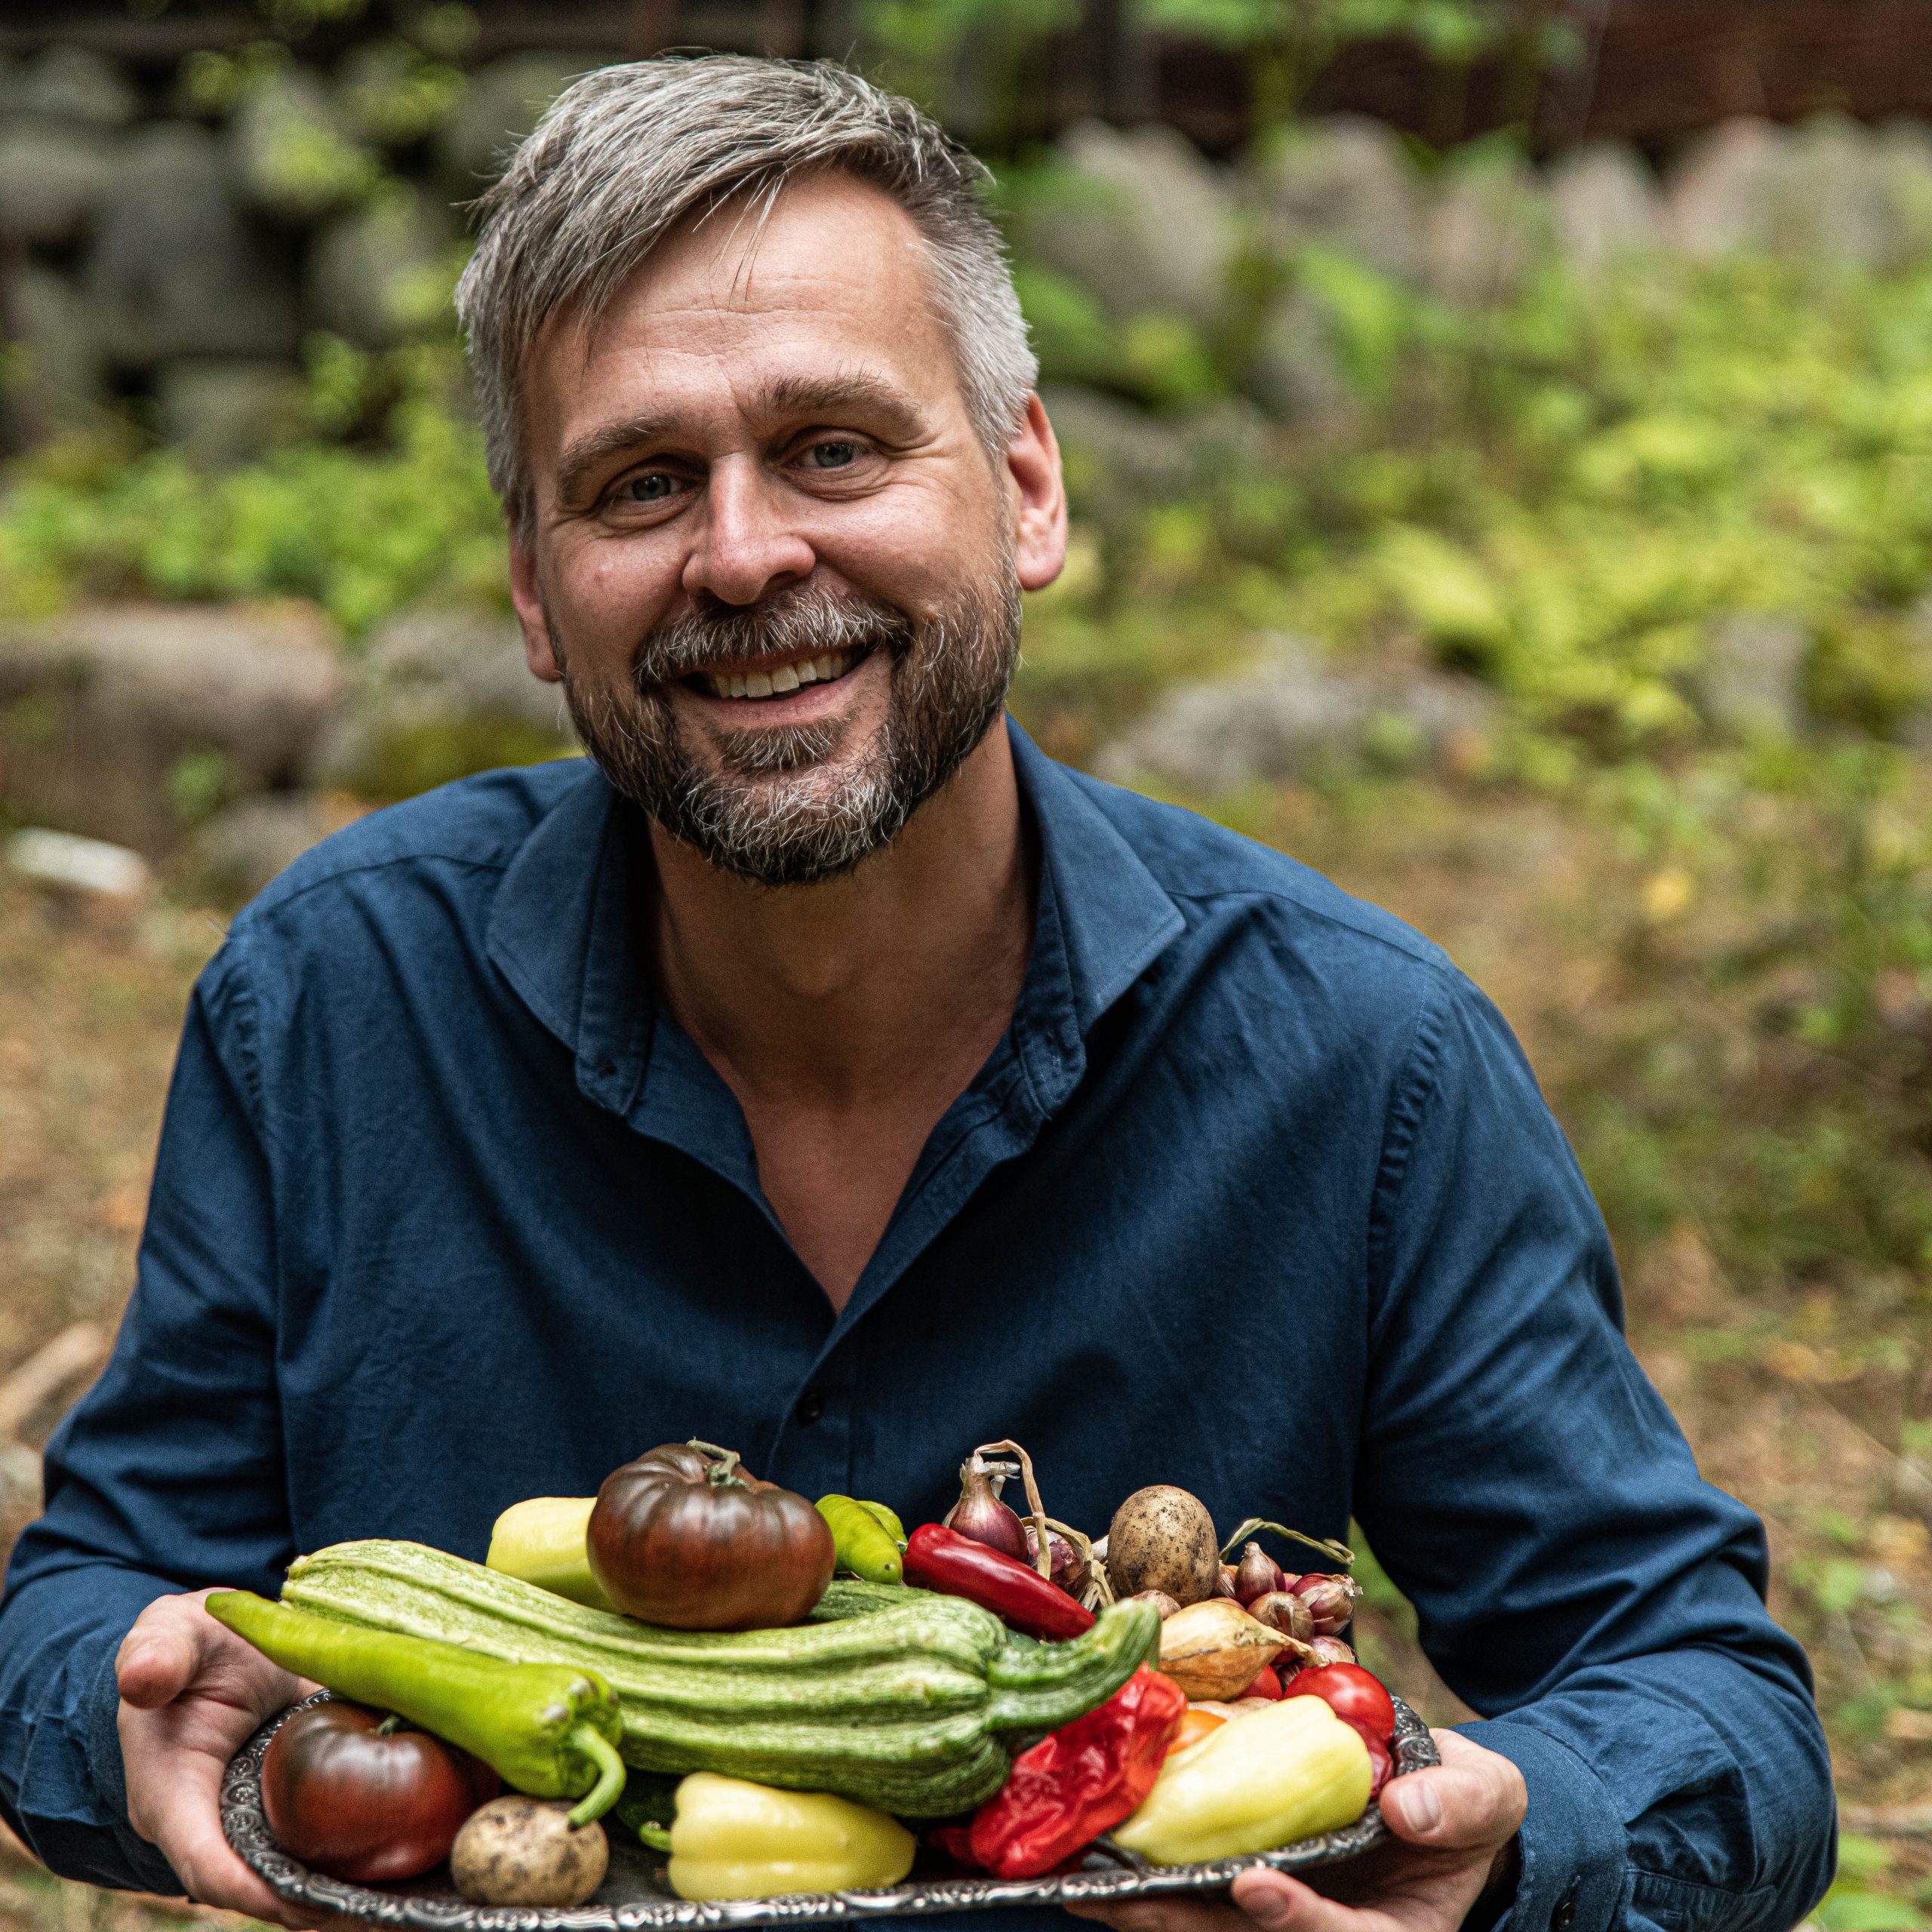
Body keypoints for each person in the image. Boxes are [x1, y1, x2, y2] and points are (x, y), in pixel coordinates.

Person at [0, 54, 1831, 1932]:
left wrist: (1513, 1838)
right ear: (538, 597)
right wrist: (116, 1709)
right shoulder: (328, 1002)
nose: (742, 552)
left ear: (1025, 486)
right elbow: (91, 1600)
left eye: (837, 448)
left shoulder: (1364, 1061)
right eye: (638, 482)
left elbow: (1710, 1706)